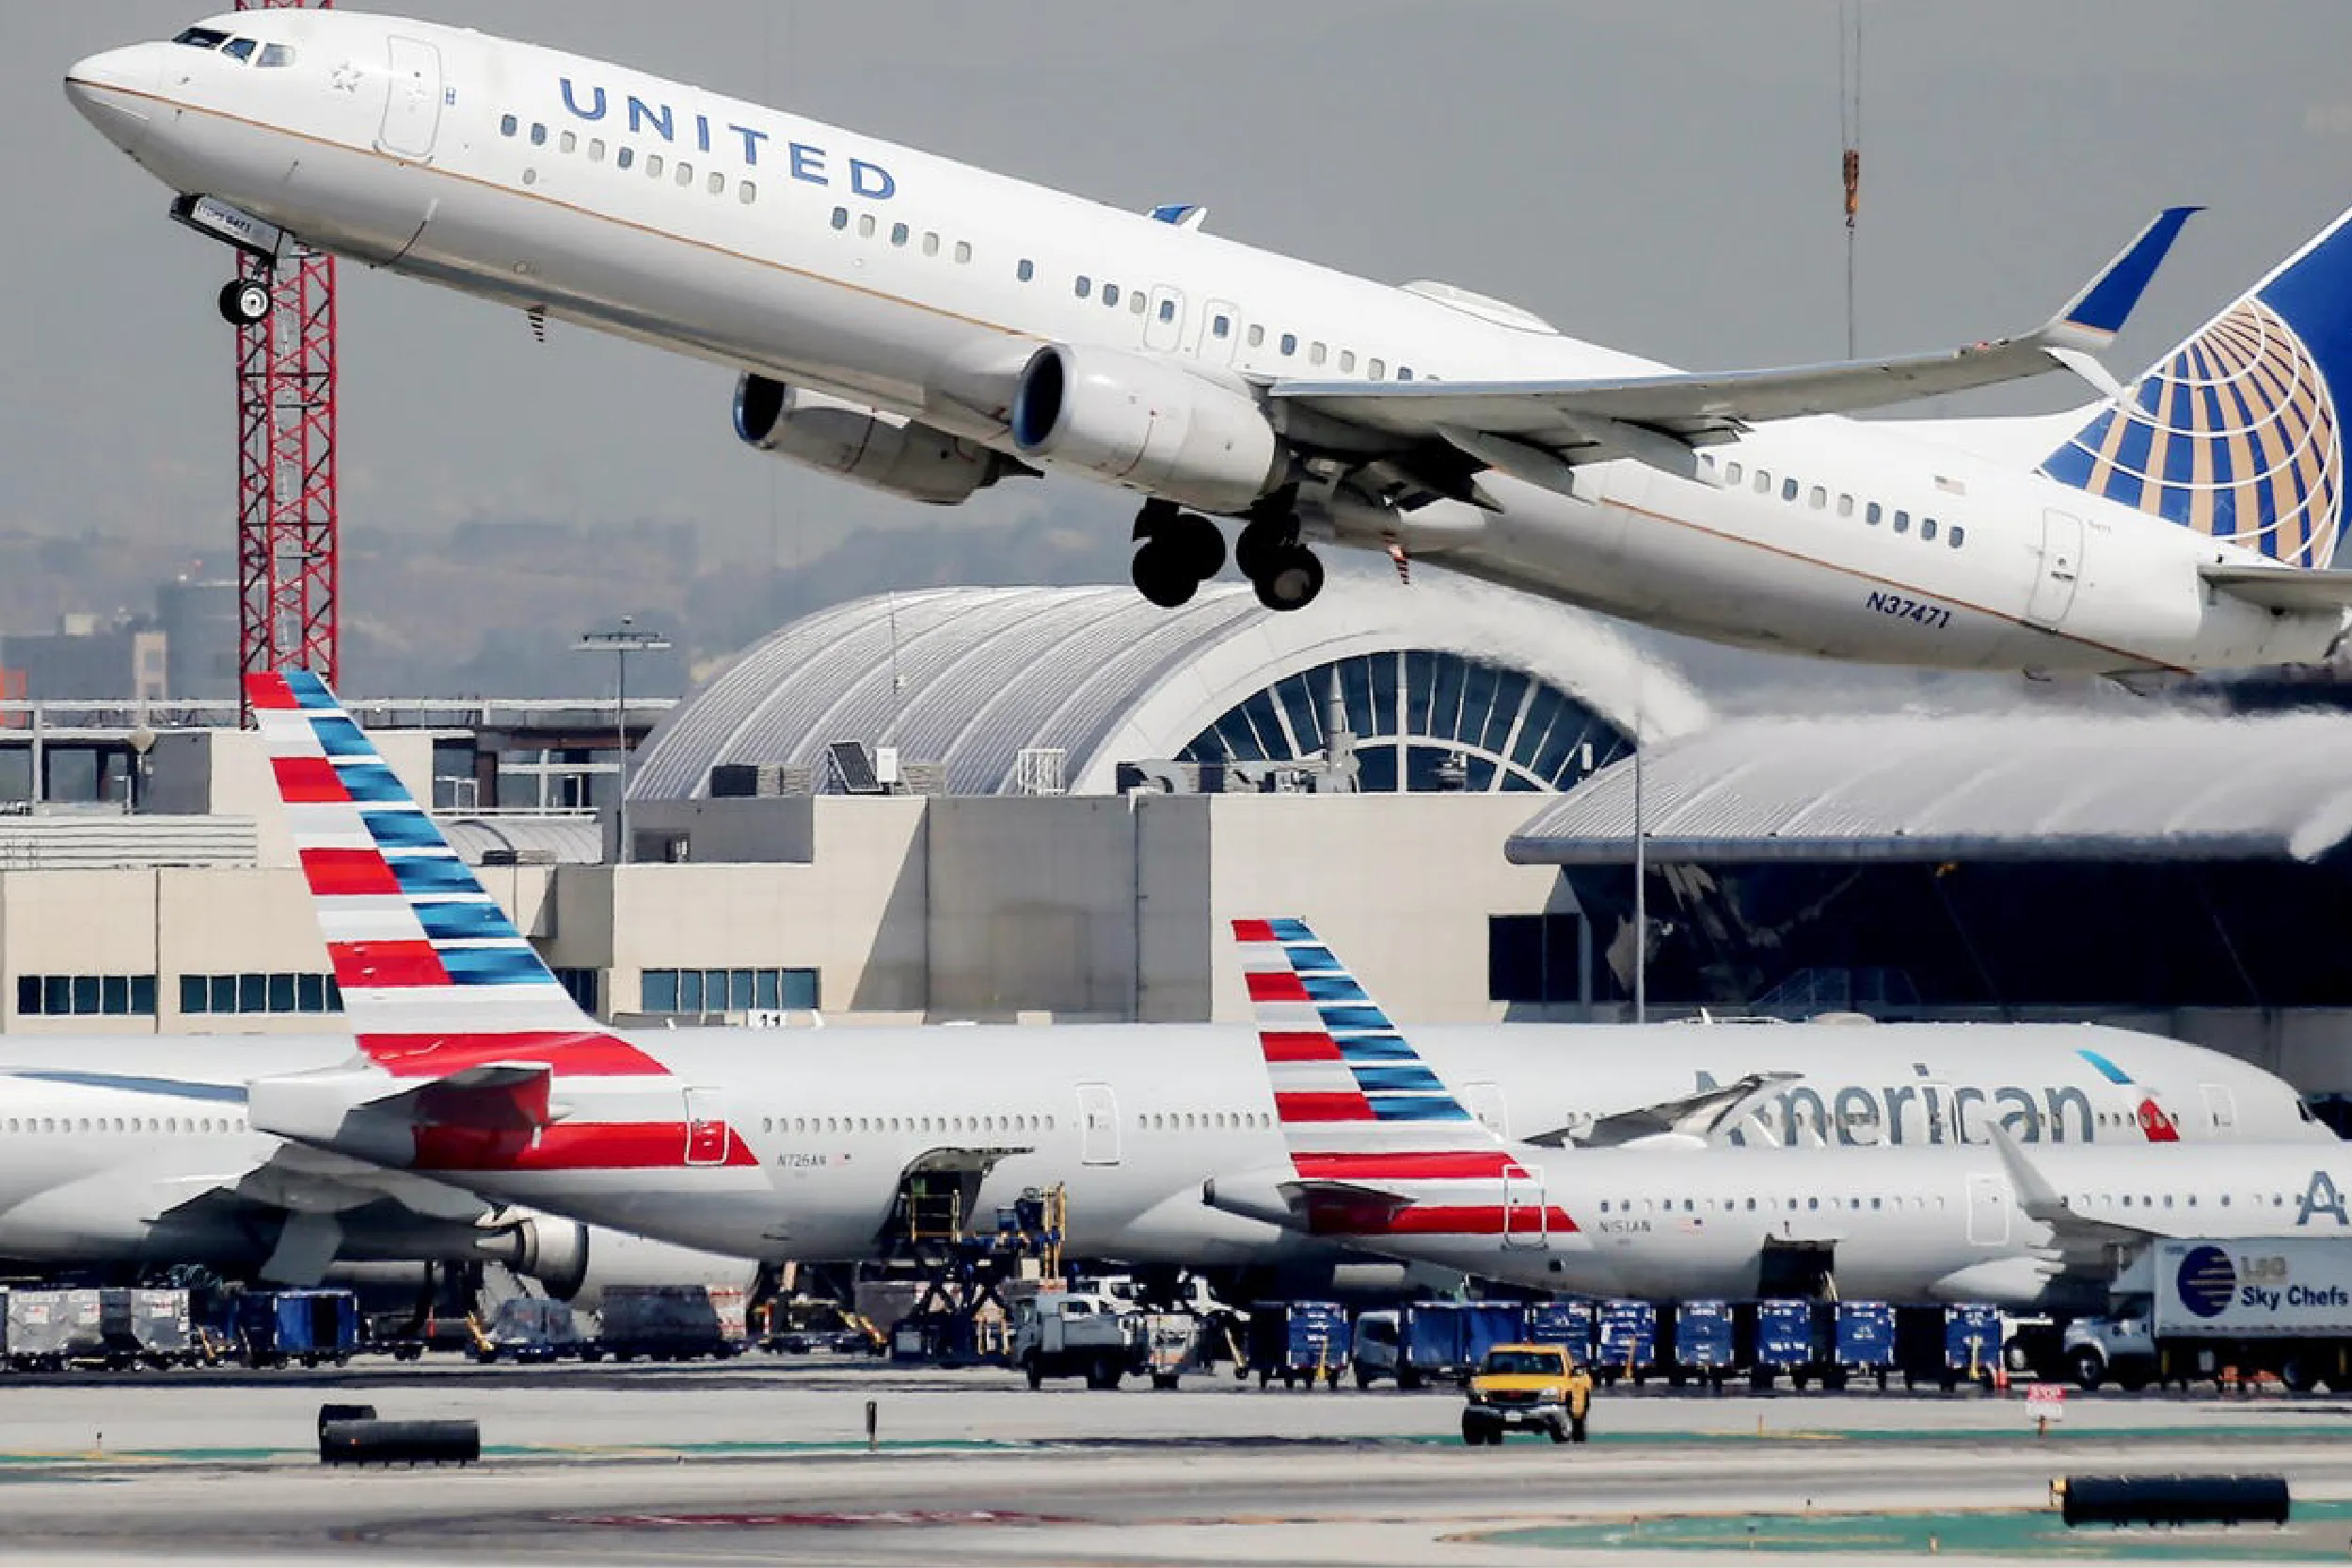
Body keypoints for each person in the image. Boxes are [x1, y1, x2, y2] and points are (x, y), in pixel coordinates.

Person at [1565, 1358, 1595, 1444]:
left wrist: (1587, 1405)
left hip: (1582, 1404)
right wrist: (1568, 1405)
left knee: (1581, 1422)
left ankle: (1581, 1437)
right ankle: (1576, 1437)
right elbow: (1568, 1394)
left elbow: (1587, 1393)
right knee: (1575, 1423)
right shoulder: (1571, 1380)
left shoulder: (1586, 1379)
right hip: (1574, 1404)